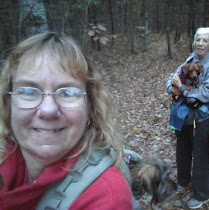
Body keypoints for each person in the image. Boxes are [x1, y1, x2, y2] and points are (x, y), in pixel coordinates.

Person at [0, 32, 133, 209]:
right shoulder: (7, 163)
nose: (48, 110)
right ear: (8, 104)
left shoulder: (106, 196)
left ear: (90, 109)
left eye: (67, 93)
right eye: (29, 91)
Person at [166, 27, 209, 209]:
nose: (200, 43)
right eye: (198, 39)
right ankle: (183, 180)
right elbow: (172, 78)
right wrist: (171, 87)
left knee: (201, 155)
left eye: (205, 40)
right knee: (182, 150)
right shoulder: (190, 59)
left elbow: (208, 93)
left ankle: (200, 194)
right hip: (184, 115)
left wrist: (182, 90)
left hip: (203, 117)